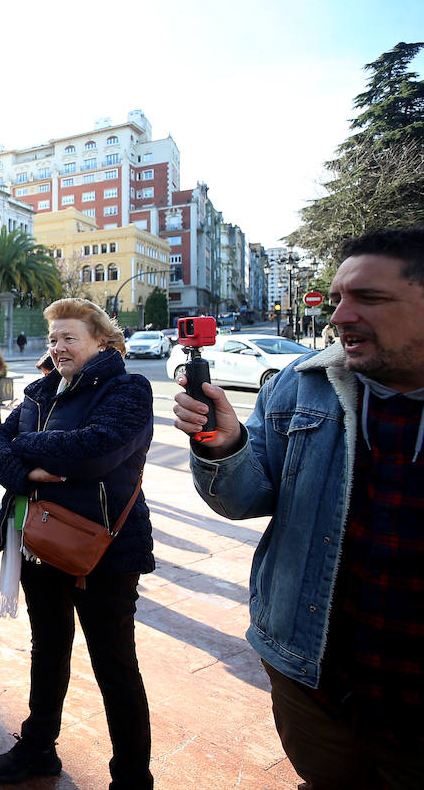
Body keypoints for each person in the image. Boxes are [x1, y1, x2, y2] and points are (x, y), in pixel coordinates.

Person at [173, 226, 424, 790]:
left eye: (370, 298)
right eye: (337, 299)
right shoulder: (302, 384)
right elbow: (243, 498)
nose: (339, 316)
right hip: (309, 679)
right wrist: (224, 444)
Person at [0, 298, 154, 787]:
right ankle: (38, 747)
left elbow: (96, 450)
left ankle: (131, 775)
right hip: (38, 542)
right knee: (48, 648)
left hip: (105, 551)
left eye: (69, 337)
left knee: (114, 663)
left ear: (101, 340)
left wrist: (20, 448)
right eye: (53, 338)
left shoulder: (128, 388)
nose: (57, 347)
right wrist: (30, 466)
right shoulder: (39, 391)